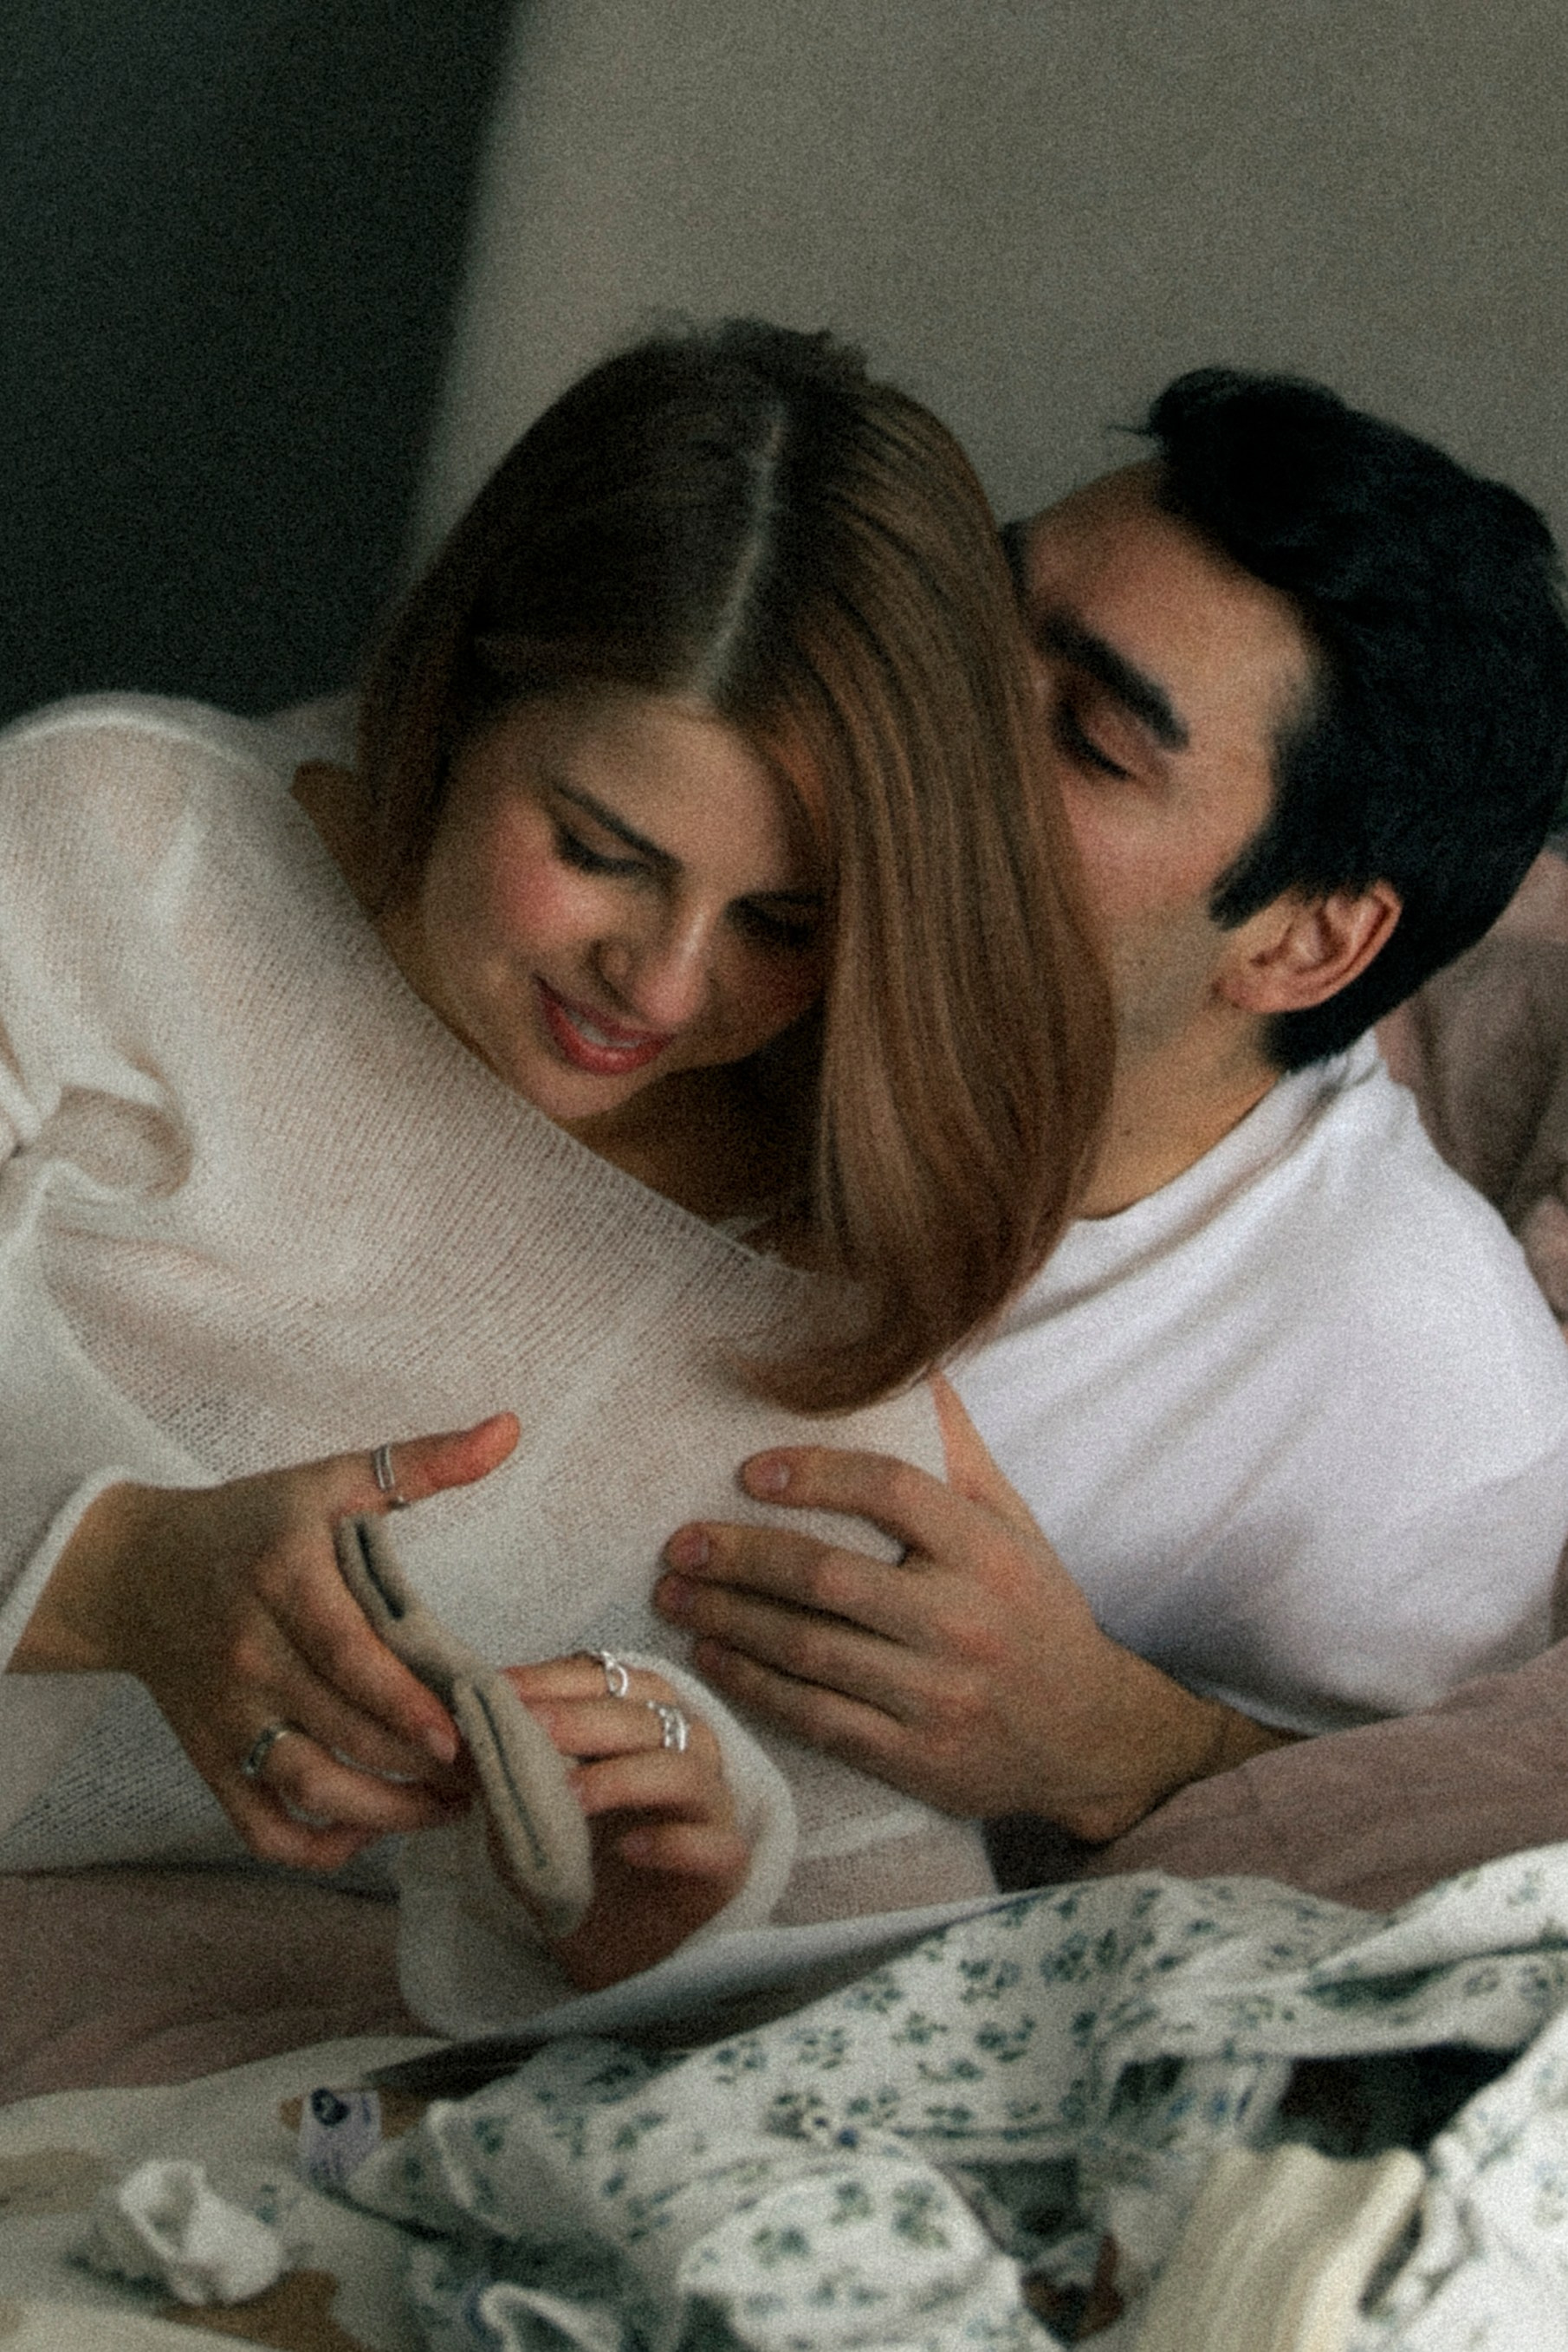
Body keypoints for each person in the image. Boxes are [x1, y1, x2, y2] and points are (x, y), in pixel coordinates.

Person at [0, 318, 1112, 2017]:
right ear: (462, 696)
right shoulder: (116, 854)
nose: (659, 987)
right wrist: (113, 1568)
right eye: (600, 851)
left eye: (782, 920)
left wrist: (653, 1916)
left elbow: (867, 1987)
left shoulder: (802, 1332)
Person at [649, 366, 1568, 1866]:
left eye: (1084, 736)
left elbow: (1444, 1850)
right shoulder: (685, 867)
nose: (931, 718)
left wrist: (1129, 1747)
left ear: (1301, 943)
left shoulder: (1421, 1390)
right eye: (975, 615)